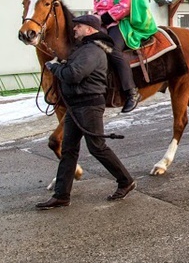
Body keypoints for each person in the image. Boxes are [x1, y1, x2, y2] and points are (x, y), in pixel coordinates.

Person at [37, 14, 136, 210]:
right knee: (68, 149)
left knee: (97, 147)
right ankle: (61, 196)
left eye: (78, 26)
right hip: (76, 106)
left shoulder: (92, 50)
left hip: (89, 105)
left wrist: (55, 68)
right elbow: (72, 69)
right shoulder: (82, 49)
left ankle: (126, 181)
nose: (74, 29)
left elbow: (73, 75)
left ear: (90, 29)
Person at [94, 0, 158, 113]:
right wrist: (94, 14)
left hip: (123, 23)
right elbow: (99, 0)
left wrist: (103, 18)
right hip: (102, 20)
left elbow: (126, 6)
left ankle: (131, 92)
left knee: (113, 49)